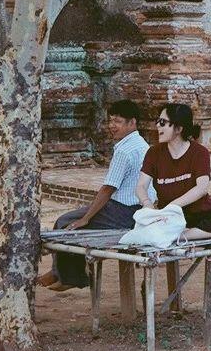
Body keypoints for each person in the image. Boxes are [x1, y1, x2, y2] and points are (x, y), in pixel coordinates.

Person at [37, 99, 153, 290]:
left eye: (117, 121)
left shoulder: (125, 150)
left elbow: (108, 188)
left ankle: (70, 277)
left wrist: (86, 217)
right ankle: (60, 273)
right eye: (111, 121)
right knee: (71, 221)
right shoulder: (142, 145)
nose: (112, 126)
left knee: (65, 222)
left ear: (132, 123)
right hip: (139, 210)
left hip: (123, 212)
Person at [136, 103, 211, 242]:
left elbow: (201, 188)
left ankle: (181, 236)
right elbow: (141, 186)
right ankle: (184, 233)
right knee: (135, 219)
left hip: (200, 215)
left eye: (163, 122)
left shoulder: (199, 152)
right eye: (157, 121)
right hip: (170, 217)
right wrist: (148, 205)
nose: (158, 125)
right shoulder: (153, 153)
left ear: (178, 128)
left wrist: (172, 206)